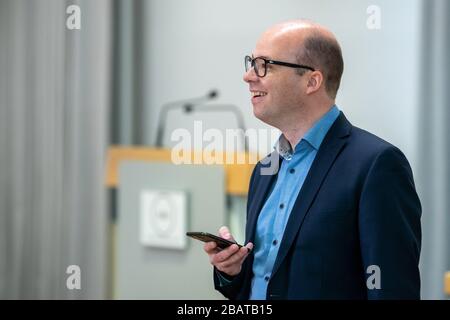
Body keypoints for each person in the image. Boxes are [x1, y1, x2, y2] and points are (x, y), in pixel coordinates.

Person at [203, 20, 421, 300]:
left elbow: (391, 290)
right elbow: (265, 282)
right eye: (251, 63)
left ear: (312, 81)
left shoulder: (376, 165)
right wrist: (232, 272)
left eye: (263, 65)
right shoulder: (265, 170)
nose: (249, 76)